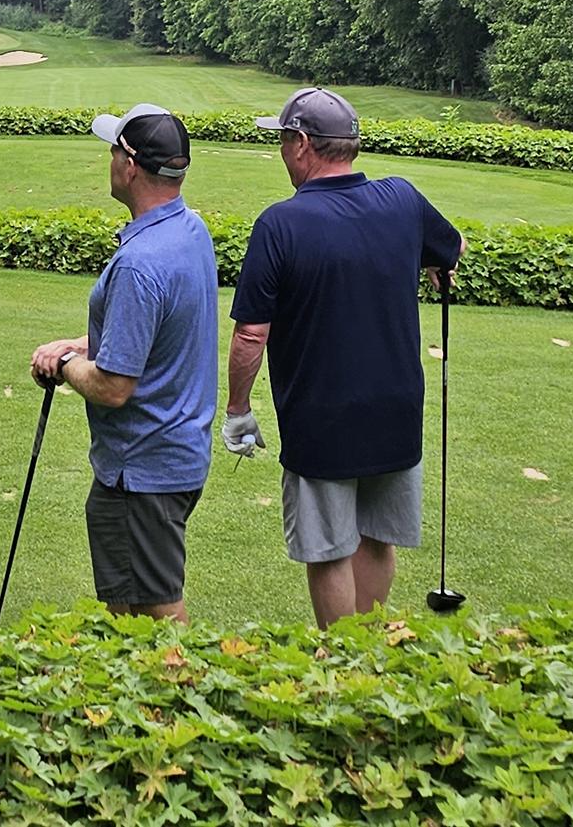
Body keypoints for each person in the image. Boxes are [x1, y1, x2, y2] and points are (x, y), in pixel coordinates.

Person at [226, 87, 463, 625]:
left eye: (284, 140)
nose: (282, 152)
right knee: (377, 538)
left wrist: (238, 409)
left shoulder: (279, 224)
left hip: (322, 416)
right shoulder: (402, 199)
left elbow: (250, 336)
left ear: (303, 144)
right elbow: (454, 247)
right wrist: (435, 262)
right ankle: (370, 657)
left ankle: (343, 665)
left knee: (329, 548)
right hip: (396, 407)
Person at [27, 103, 218, 620]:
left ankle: (184, 696)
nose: (109, 158)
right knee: (131, 606)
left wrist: (65, 362)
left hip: (142, 469)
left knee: (156, 611)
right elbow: (156, 336)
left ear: (130, 165)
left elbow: (114, 386)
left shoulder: (138, 263)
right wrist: (82, 344)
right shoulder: (190, 231)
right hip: (175, 455)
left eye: (113, 149)